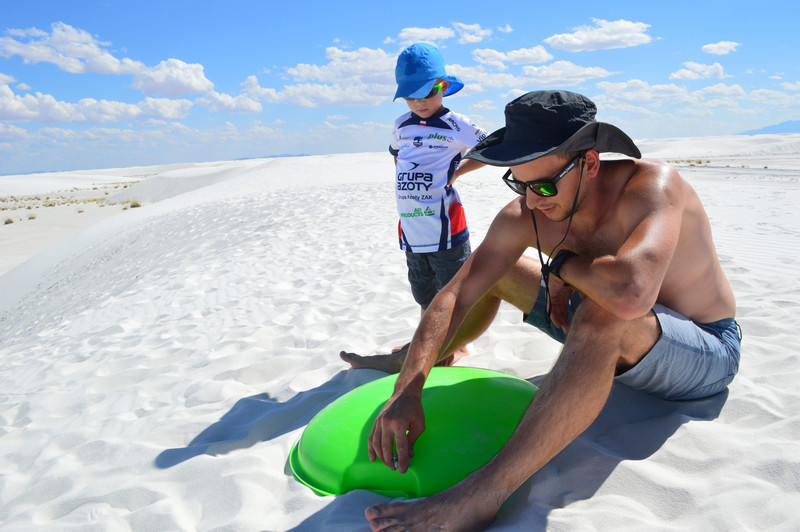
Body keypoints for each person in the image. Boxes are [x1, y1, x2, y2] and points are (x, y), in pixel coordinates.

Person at [357, 90, 741, 531]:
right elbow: (455, 295)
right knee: (491, 271)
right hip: (604, 332)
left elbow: (632, 296)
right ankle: (409, 359)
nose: (532, 201)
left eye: (543, 185)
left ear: (590, 164)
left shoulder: (652, 187)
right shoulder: (530, 209)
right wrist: (409, 387)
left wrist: (561, 266)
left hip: (704, 351)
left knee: (605, 310)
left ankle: (485, 493)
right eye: (519, 184)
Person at [341, 43, 487, 372]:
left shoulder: (455, 123)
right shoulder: (402, 124)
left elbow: (491, 145)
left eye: (427, 92)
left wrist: (459, 170)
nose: (420, 101)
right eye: (411, 95)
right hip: (411, 227)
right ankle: (428, 339)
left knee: (450, 292)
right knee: (424, 292)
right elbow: (396, 153)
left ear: (443, 87)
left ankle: (451, 346)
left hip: (445, 228)